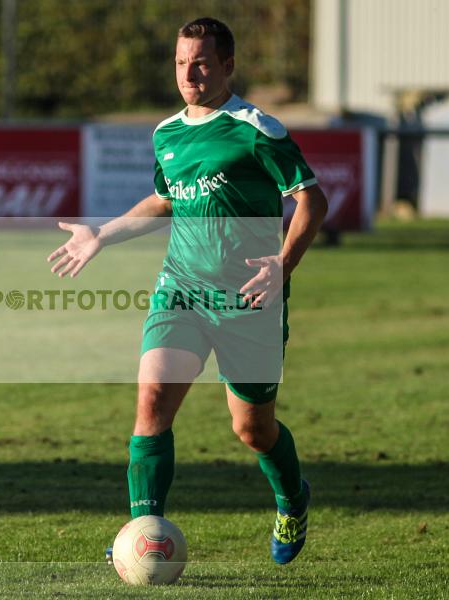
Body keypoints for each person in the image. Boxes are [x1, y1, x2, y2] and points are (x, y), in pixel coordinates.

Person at [47, 17, 327, 565]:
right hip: (182, 288)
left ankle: (293, 496)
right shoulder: (167, 134)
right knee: (151, 400)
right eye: (181, 62)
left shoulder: (256, 128)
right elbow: (165, 201)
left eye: (201, 62)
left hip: (250, 298)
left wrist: (282, 264)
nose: (189, 72)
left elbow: (311, 201)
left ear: (227, 65)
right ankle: (142, 534)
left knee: (252, 428)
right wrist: (101, 233)